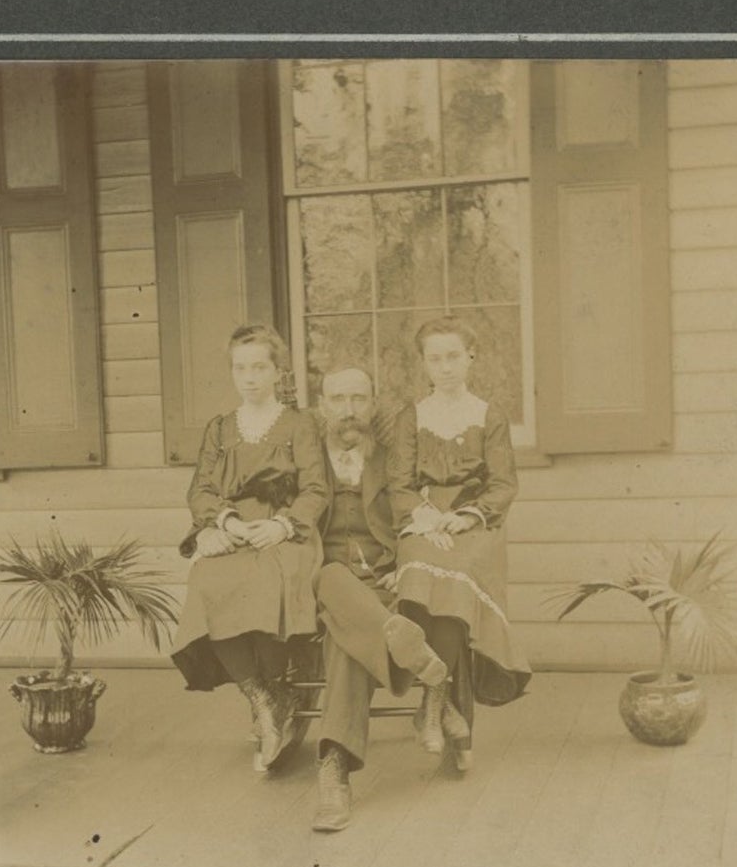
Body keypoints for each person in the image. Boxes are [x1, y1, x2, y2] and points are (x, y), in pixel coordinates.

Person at [170, 323, 330, 772]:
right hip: (237, 529)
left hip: (286, 532)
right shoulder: (220, 429)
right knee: (206, 580)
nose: (250, 377)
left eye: (260, 367)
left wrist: (283, 525)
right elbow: (200, 490)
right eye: (241, 368)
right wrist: (226, 521)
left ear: (278, 371)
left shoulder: (300, 425)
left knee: (270, 579)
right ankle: (264, 695)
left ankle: (279, 687)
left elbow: (316, 489)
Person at [388, 316, 531, 772]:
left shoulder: (488, 416)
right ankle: (438, 703)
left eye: (453, 356)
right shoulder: (410, 417)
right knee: (427, 572)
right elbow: (399, 483)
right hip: (424, 523)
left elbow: (503, 485)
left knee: (457, 578)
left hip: (474, 526)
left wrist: (465, 515)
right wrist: (428, 519)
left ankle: (432, 703)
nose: (445, 366)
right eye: (435, 358)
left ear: (470, 358)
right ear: (424, 365)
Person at [309, 366, 448, 833]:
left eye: (359, 399)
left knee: (345, 643)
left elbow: (414, 510)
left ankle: (334, 768)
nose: (348, 411)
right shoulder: (303, 458)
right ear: (321, 405)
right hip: (318, 577)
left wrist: (404, 563)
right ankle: (421, 663)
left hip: (378, 582)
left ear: (374, 404)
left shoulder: (391, 458)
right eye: (337, 400)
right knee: (332, 577)